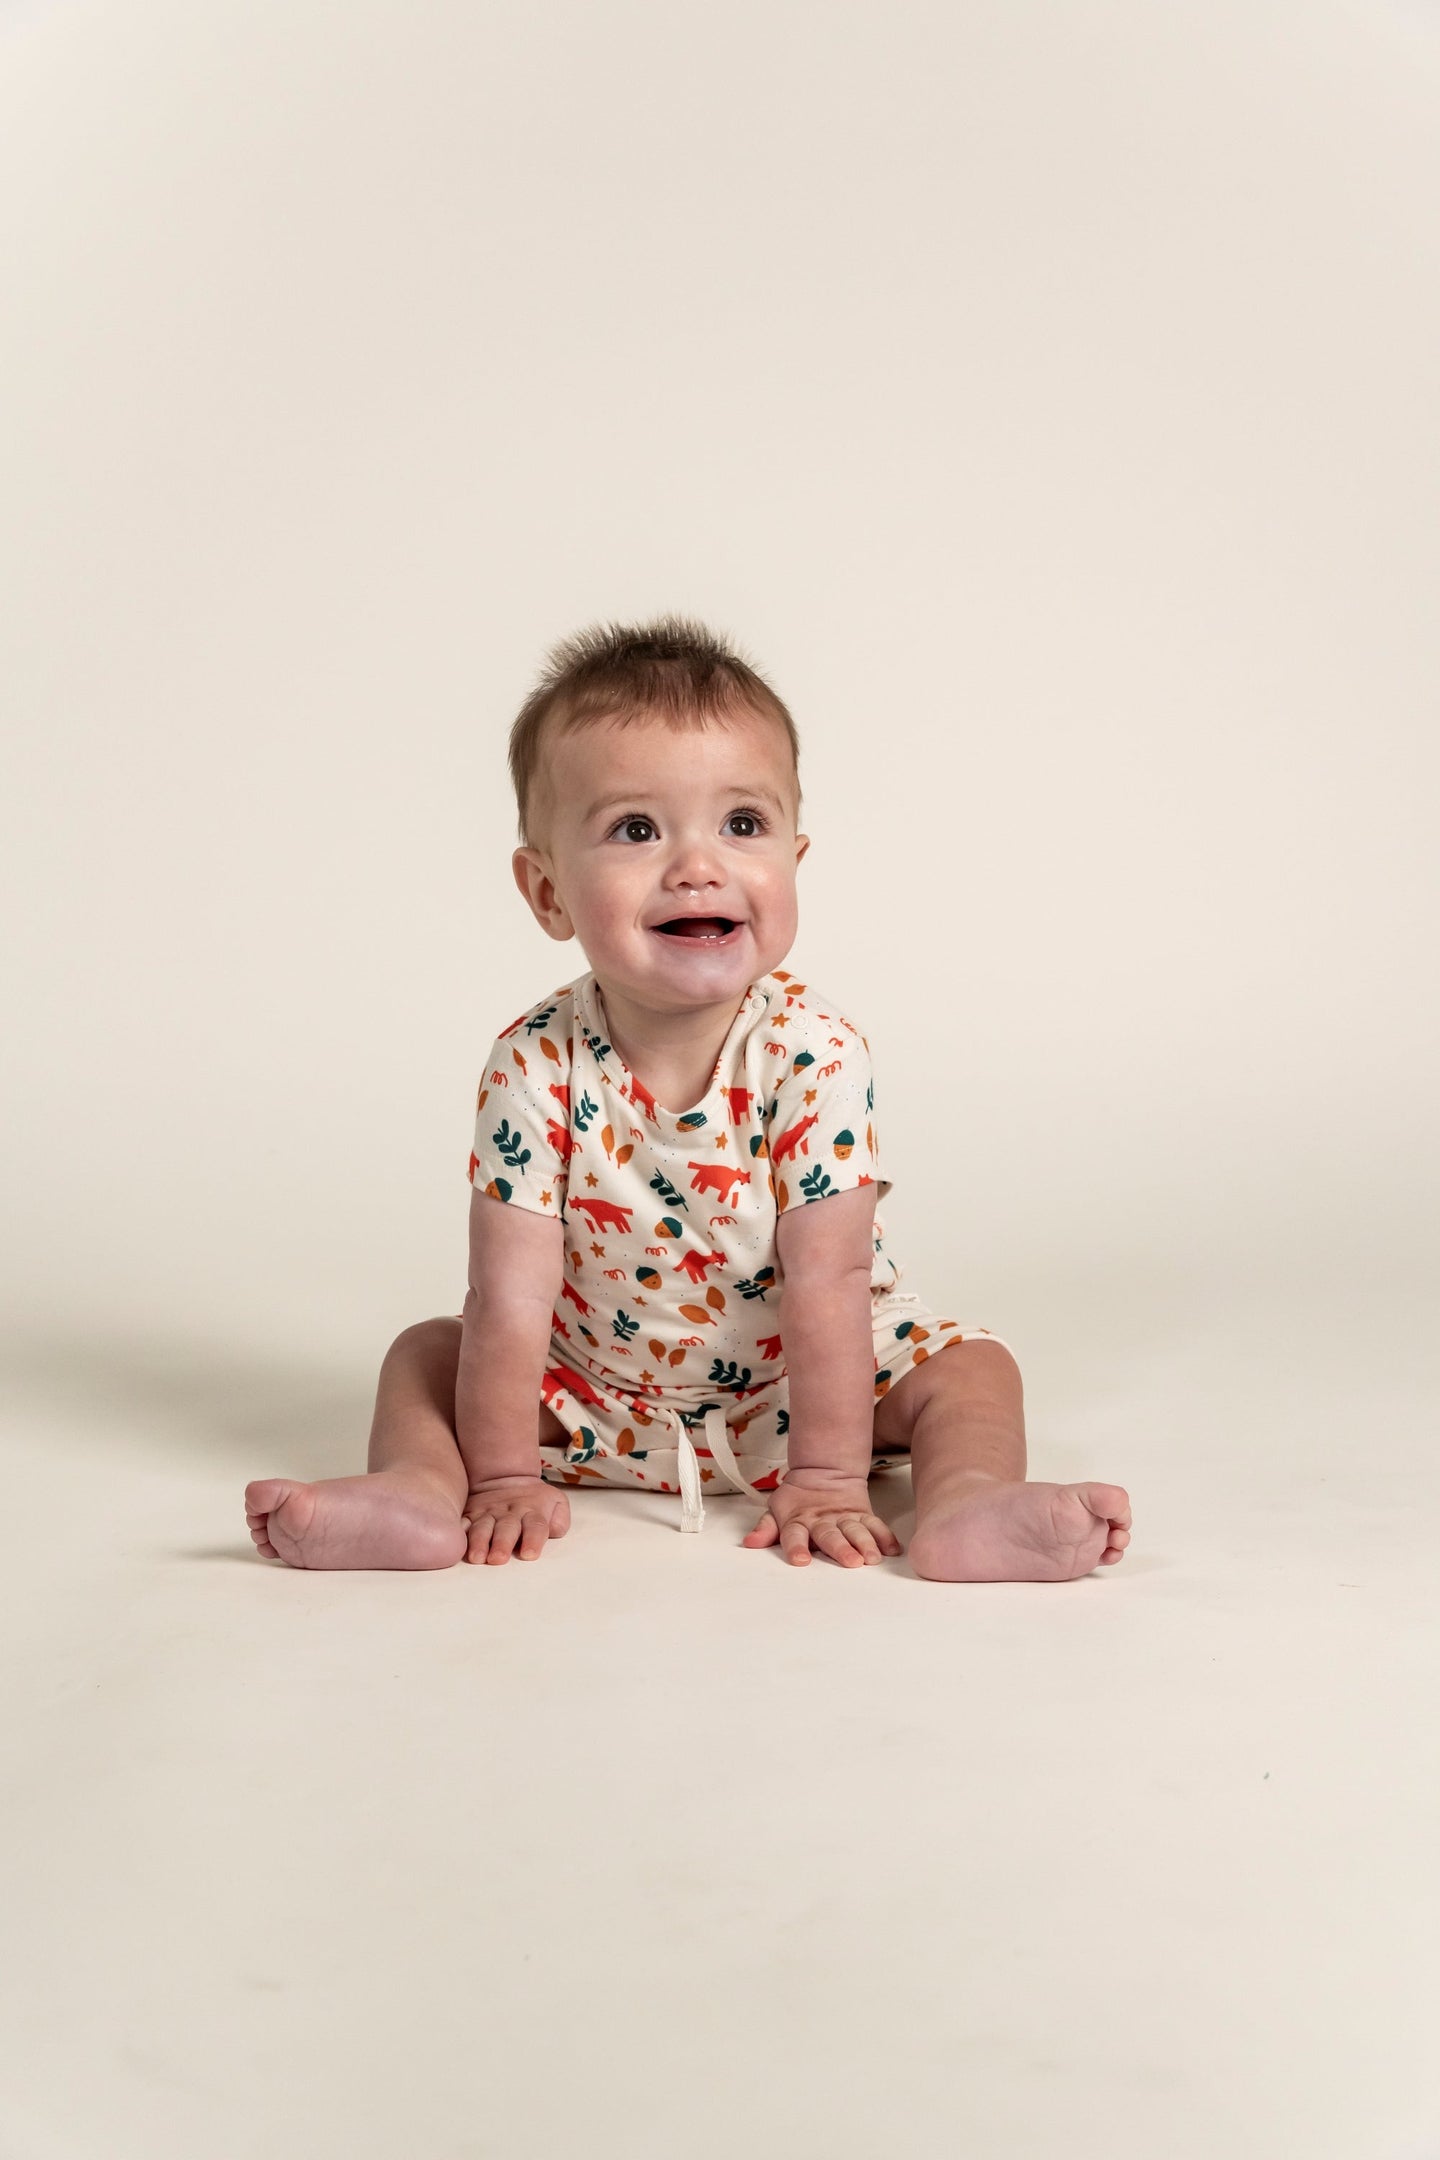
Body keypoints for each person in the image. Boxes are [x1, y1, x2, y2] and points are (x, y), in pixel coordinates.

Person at [244, 616, 1132, 1579]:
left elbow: (828, 1282)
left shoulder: (816, 1054)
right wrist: (500, 1474)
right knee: (425, 1353)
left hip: (804, 1390)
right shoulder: (532, 1066)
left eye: (742, 825)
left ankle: (967, 1502)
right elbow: (508, 1294)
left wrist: (830, 1475)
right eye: (636, 829)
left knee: (972, 1371)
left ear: (795, 859)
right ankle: (419, 1489)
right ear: (547, 894)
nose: (697, 865)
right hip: (590, 1392)